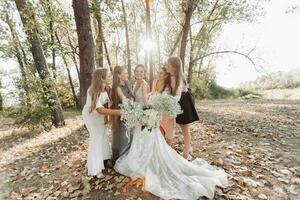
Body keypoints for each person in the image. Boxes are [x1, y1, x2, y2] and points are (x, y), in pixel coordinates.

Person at [114, 58, 228, 200]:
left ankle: (183, 154)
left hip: (169, 107)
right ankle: (153, 155)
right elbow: (150, 96)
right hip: (150, 111)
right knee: (149, 135)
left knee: (176, 132)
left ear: (173, 66)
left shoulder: (174, 79)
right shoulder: (143, 83)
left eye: (167, 65)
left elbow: (171, 96)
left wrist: (158, 103)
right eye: (137, 71)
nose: (165, 68)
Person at [82, 68, 121, 178]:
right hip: (92, 117)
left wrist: (109, 107)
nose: (111, 77)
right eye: (108, 76)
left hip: (100, 117)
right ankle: (95, 169)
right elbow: (98, 109)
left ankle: (104, 161)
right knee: (96, 139)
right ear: (102, 78)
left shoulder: (106, 88)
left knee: (103, 137)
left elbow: (104, 106)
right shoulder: (93, 90)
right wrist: (117, 112)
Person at [111, 66, 134, 164]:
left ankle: (128, 156)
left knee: (129, 136)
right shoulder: (116, 87)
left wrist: (133, 103)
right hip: (120, 114)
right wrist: (131, 106)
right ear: (119, 75)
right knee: (121, 136)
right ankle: (119, 159)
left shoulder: (127, 83)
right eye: (125, 73)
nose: (127, 75)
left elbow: (131, 96)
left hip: (129, 112)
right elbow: (124, 100)